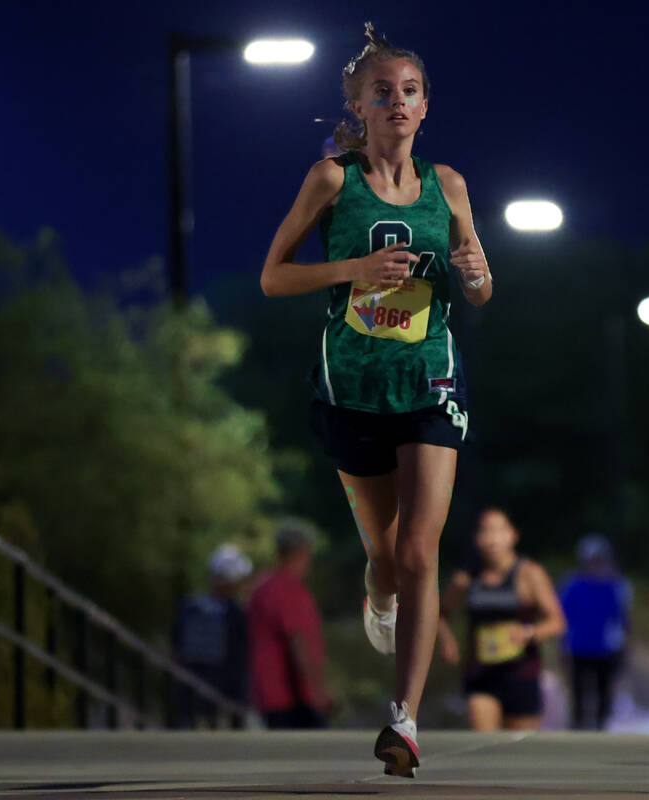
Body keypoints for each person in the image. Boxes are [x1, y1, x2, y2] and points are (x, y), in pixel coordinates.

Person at [259, 23, 492, 778]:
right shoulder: (332, 181)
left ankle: (405, 721)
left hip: (430, 381)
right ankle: (376, 587)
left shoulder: (449, 184)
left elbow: (482, 288)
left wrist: (475, 272)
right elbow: (273, 277)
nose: (398, 102)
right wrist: (352, 269)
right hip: (353, 388)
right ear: (358, 106)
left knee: (422, 551)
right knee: (388, 557)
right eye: (382, 92)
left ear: (426, 107)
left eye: (410, 91)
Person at [437, 509, 566, 731]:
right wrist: (447, 641)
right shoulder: (466, 578)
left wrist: (529, 633)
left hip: (521, 674)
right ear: (477, 538)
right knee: (485, 742)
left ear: (513, 535)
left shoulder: (530, 574)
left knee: (516, 752)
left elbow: (557, 622)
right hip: (481, 675)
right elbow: (439, 614)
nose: (492, 537)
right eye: (486, 530)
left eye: (499, 530)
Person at [247, 524, 331, 729]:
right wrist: (316, 690)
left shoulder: (261, 586)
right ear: (302, 552)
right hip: (293, 697)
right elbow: (298, 642)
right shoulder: (288, 588)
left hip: (267, 694)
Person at [170, 543, 252, 727]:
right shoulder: (236, 614)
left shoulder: (189, 607)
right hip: (224, 697)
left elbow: (175, 650)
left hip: (189, 693)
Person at [558, 534, 632, 730]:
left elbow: (623, 619)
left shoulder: (616, 585)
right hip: (579, 648)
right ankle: (577, 728)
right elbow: (563, 619)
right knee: (579, 693)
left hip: (607, 649)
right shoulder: (572, 585)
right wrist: (562, 647)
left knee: (605, 693)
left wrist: (626, 648)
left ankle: (601, 729)